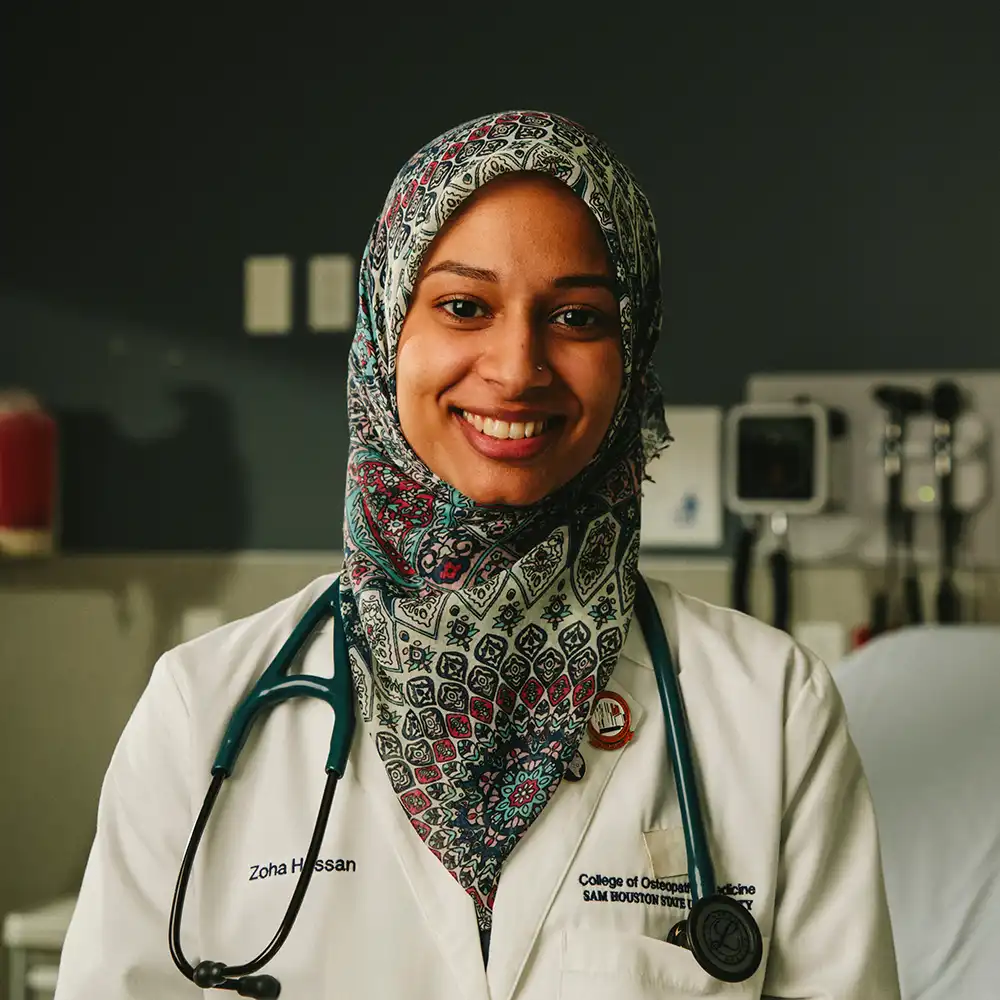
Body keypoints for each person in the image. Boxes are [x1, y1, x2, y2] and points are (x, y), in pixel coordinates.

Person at [54, 110, 899, 999]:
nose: (516, 366)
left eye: (576, 316)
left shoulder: (770, 710)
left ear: (633, 352)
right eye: (464, 306)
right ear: (388, 331)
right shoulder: (201, 710)